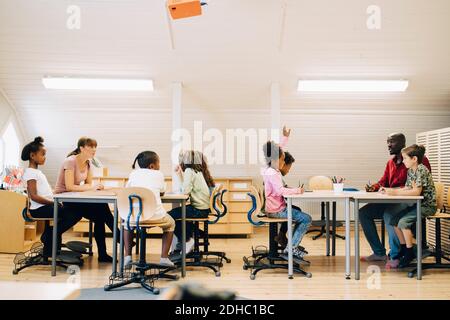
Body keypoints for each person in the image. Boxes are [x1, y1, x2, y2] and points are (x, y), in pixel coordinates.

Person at [360, 133, 431, 269]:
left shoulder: (418, 160)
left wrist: (394, 190)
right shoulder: (390, 163)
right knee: (363, 213)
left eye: (391, 142)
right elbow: (383, 182)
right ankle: (379, 253)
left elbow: (418, 187)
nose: (388, 145)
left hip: (410, 201)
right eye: (387, 142)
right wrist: (374, 187)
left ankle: (396, 255)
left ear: (402, 143)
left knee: (389, 214)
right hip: (392, 200)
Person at [55, 137, 119, 263]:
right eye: (91, 146)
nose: (94, 149)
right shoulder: (70, 161)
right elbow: (69, 187)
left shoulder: (89, 163)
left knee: (101, 214)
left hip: (76, 197)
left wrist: (94, 187)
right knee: (102, 209)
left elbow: (89, 184)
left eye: (95, 146)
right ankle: (119, 237)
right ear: (81, 148)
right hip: (65, 198)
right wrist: (89, 187)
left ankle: (103, 254)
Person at [21, 137, 81, 257]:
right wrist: (52, 203)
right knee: (75, 213)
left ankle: (50, 236)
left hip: (45, 206)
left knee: (72, 211)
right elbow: (34, 196)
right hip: (38, 209)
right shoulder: (31, 173)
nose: (45, 157)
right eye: (42, 154)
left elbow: (44, 192)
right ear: (32, 156)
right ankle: (50, 235)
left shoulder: (37, 172)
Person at [381, 144, 436, 268]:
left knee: (403, 223)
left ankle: (409, 252)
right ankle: (404, 249)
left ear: (414, 159)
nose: (403, 161)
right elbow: (408, 187)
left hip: (427, 206)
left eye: (405, 158)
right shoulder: (411, 171)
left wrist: (394, 192)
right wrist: (389, 190)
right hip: (417, 204)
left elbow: (416, 192)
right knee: (395, 221)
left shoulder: (421, 170)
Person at [123, 151, 176, 267]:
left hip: (136, 217)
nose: (159, 166)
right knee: (171, 223)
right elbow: (162, 192)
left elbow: (127, 190)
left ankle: (127, 256)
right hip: (155, 216)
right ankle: (164, 258)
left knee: (126, 223)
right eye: (159, 163)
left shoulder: (133, 174)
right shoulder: (159, 174)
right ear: (152, 166)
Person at [261, 140, 312, 261]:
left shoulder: (271, 168)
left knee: (299, 214)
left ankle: (291, 245)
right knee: (306, 219)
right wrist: (297, 191)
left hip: (274, 208)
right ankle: (292, 247)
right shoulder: (273, 173)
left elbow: (278, 150)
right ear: (275, 160)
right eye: (283, 160)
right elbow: (280, 191)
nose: (284, 163)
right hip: (277, 210)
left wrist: (285, 137)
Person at [168, 150, 214, 254]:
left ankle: (187, 240)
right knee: (177, 214)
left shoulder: (189, 170)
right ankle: (191, 236)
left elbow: (185, 191)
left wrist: (180, 175)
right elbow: (185, 189)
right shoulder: (198, 171)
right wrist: (180, 175)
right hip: (203, 209)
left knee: (169, 216)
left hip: (198, 210)